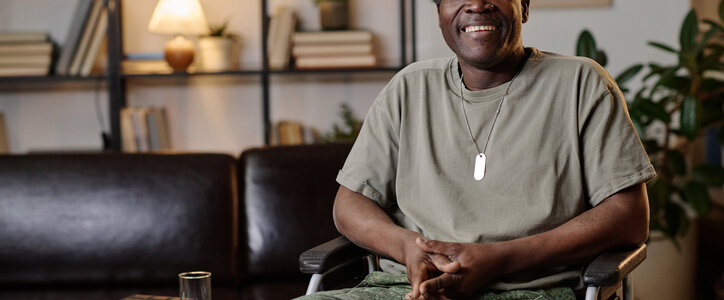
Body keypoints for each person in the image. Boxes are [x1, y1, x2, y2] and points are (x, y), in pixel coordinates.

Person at [298, 0, 656, 299]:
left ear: (524, 6)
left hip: (535, 291)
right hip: (404, 289)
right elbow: (350, 203)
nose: (477, 4)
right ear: (439, 13)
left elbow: (628, 216)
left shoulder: (582, 84)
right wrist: (408, 247)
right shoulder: (408, 88)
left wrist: (498, 259)